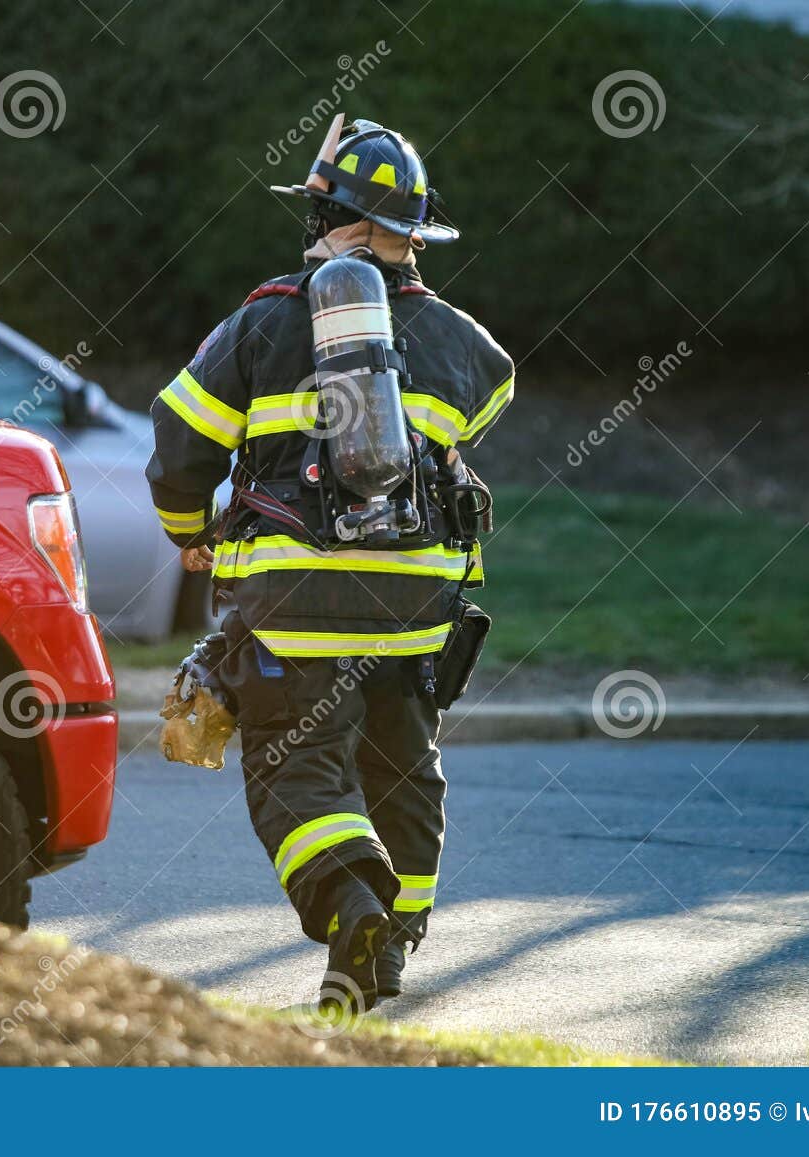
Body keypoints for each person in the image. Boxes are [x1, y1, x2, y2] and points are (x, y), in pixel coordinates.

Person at [145, 118, 515, 1009]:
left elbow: (179, 437)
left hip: (298, 606)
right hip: (416, 612)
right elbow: (496, 388)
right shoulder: (462, 341)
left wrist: (188, 529)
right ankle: (388, 951)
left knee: (295, 767)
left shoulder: (264, 321)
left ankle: (353, 907)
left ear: (323, 218)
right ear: (413, 235)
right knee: (404, 769)